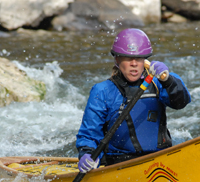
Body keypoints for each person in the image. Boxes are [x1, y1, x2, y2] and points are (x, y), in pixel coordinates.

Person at [76, 28, 191, 173]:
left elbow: (181, 102)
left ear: (146, 60)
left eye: (139, 58)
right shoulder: (102, 91)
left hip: (160, 163)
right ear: (117, 59)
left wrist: (168, 80)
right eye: (128, 58)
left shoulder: (159, 82)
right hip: (120, 166)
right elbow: (89, 134)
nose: (134, 63)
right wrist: (86, 153)